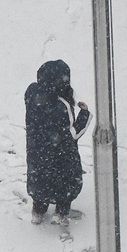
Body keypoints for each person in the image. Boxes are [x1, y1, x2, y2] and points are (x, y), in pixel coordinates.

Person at [24, 60, 91, 227]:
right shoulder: (62, 105)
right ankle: (61, 213)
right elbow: (71, 135)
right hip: (61, 157)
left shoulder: (32, 96)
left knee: (40, 182)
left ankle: (38, 211)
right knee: (64, 184)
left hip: (37, 154)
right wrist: (84, 115)